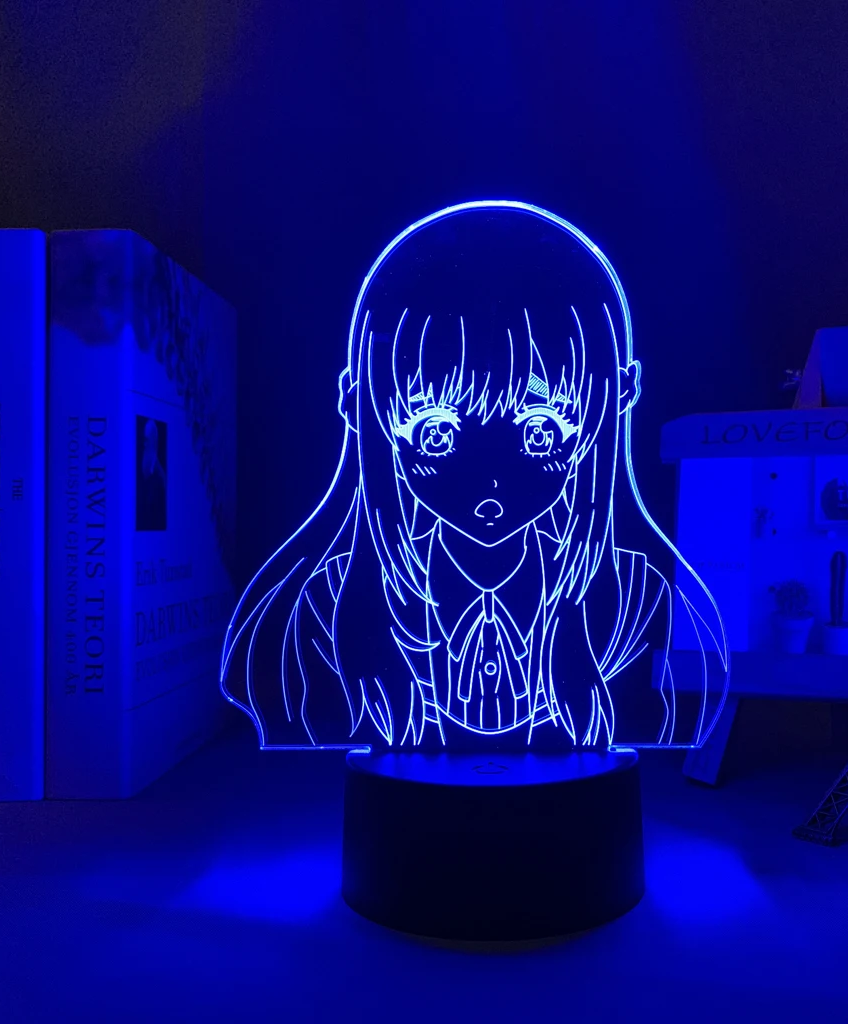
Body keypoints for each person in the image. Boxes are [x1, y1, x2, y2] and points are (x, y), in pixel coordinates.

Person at [221, 201, 728, 750]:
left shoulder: (643, 601)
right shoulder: (318, 608)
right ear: (360, 404)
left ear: (617, 398)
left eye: (539, 433)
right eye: (437, 434)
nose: (490, 487)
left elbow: (675, 719)